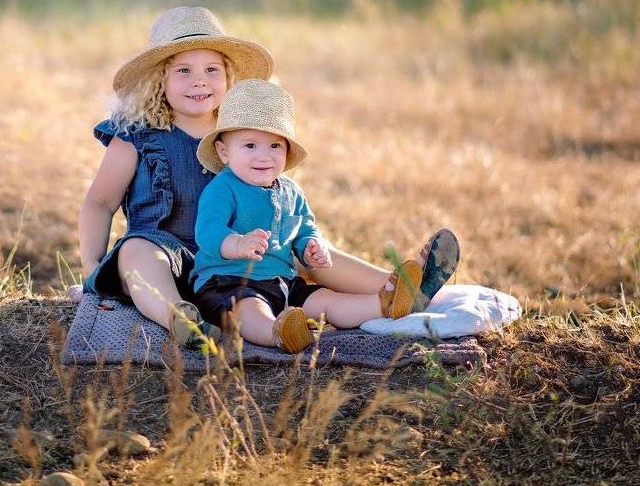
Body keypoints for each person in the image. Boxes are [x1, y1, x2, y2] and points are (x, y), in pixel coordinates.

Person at [77, 7, 449, 349]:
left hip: (241, 260)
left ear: (228, 77)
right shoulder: (137, 137)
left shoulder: (242, 133)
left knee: (304, 247)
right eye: (184, 71)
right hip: (166, 262)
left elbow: (278, 201)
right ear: (161, 78)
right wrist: (92, 265)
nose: (199, 82)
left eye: (211, 70)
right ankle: (180, 317)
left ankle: (396, 289)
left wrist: (295, 241)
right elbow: (99, 202)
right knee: (135, 250)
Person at [191, 79, 459, 353]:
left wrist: (311, 248)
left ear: (287, 151)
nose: (264, 156)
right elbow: (208, 231)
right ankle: (277, 334)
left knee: (326, 300)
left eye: (275, 146)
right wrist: (237, 243)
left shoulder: (291, 191)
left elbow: (305, 230)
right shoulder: (223, 188)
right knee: (248, 310)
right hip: (229, 281)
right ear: (224, 152)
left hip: (284, 282)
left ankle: (385, 304)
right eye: (250, 146)